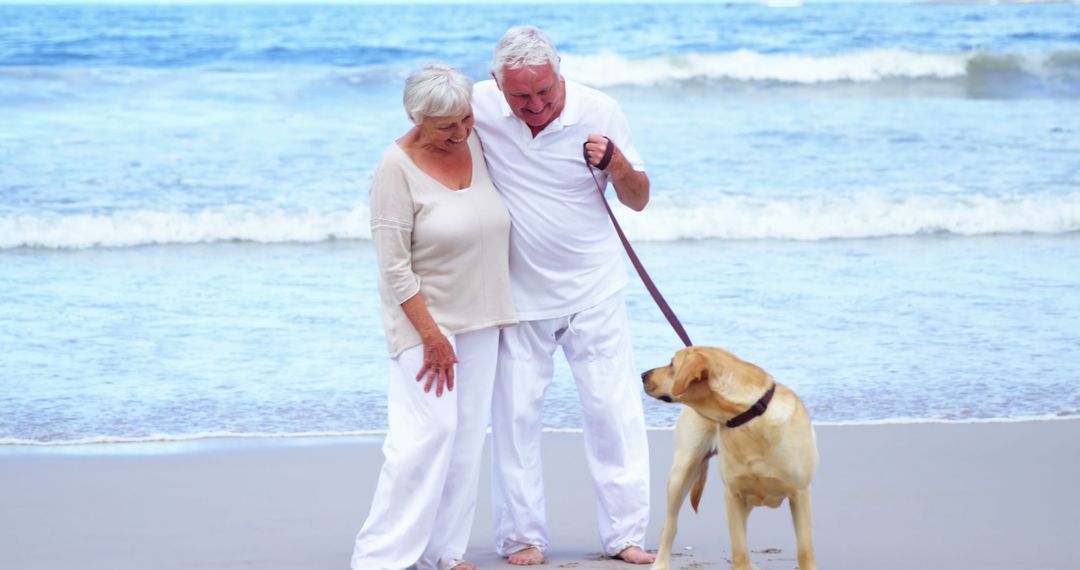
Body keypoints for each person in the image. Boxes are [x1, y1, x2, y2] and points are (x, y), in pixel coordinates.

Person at [471, 26, 655, 566]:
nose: (534, 105)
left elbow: (639, 199)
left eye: (544, 92)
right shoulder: (478, 107)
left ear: (560, 74)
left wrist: (616, 164)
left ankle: (625, 535)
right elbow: (426, 133)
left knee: (611, 412)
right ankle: (521, 537)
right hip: (516, 295)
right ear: (496, 85)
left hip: (593, 289)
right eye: (520, 96)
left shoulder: (600, 110)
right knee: (515, 417)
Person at [350, 63, 517, 570]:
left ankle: (443, 553)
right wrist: (433, 336)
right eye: (446, 126)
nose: (460, 133)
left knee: (466, 439)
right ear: (414, 117)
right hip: (426, 324)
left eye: (465, 120)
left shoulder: (478, 143)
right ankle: (379, 557)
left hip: (484, 317)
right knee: (424, 437)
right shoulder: (393, 168)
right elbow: (394, 268)